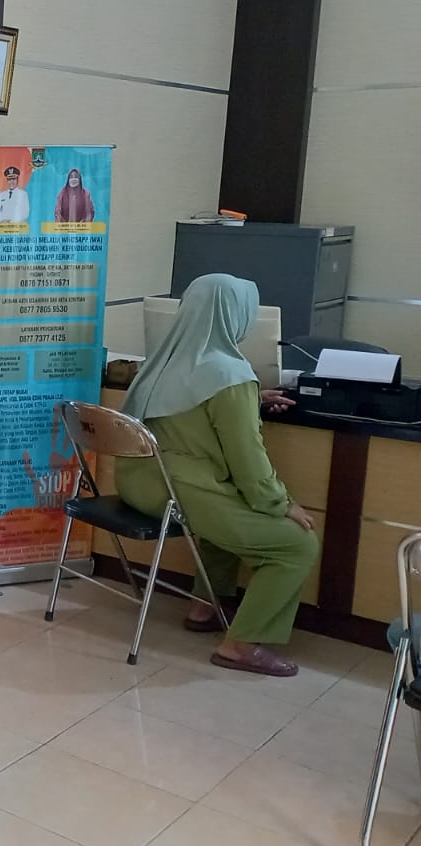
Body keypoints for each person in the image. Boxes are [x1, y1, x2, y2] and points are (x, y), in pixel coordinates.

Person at [118, 273, 319, 677]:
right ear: (236, 316)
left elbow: (188, 408)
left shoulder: (164, 358)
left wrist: (248, 401)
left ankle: (204, 607)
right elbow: (249, 463)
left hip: (137, 482)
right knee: (297, 545)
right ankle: (240, 644)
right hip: (182, 490)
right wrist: (280, 503)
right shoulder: (230, 375)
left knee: (224, 512)